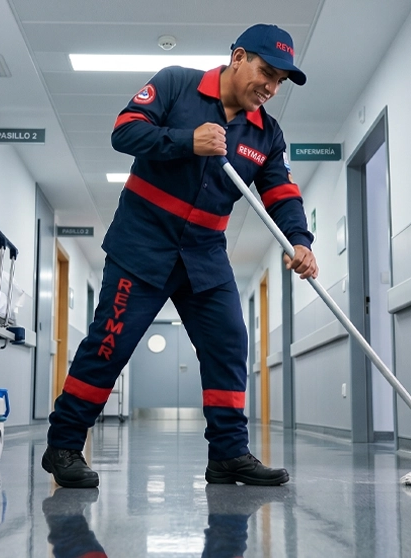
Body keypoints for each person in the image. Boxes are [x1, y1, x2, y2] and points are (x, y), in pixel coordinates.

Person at [42, 23, 318, 489]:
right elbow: (124, 131)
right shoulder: (176, 84)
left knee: (229, 343)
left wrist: (300, 240)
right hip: (141, 244)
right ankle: (64, 445)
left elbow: (282, 194)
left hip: (205, 255)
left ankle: (228, 455)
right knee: (109, 344)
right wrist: (186, 140)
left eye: (279, 82)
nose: (270, 88)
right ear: (238, 57)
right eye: (266, 73)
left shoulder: (266, 135)